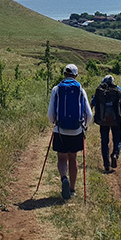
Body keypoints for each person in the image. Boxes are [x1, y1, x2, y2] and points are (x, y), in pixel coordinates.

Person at [47, 64, 93, 200]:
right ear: (76, 75)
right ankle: (72, 190)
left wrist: (54, 123)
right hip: (76, 130)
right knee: (73, 159)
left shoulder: (56, 89)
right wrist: (85, 126)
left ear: (64, 74)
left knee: (62, 158)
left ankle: (64, 178)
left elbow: (50, 113)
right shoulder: (80, 89)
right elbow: (89, 114)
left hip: (60, 130)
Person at [91, 74, 121, 173]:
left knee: (104, 141)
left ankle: (106, 165)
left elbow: (92, 104)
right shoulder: (118, 89)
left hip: (103, 121)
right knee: (117, 138)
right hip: (115, 120)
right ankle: (115, 154)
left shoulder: (99, 90)